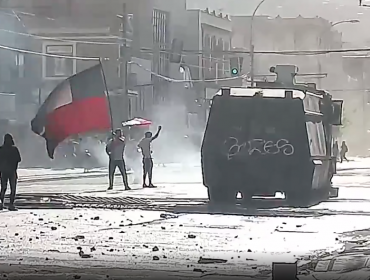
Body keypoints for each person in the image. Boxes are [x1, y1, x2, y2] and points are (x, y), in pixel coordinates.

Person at [0, 134, 21, 211]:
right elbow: (19, 159)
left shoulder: (1, 149)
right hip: (12, 171)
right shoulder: (14, 149)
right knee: (12, 188)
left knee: (3, 188)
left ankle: (1, 203)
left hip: (4, 171)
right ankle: (11, 205)